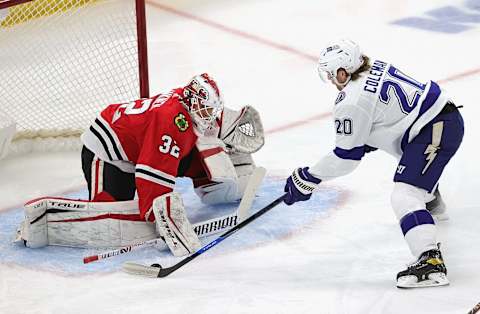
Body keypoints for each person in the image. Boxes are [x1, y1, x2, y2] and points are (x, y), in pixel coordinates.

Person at [16, 73, 264, 256]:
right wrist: (162, 218)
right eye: (204, 110)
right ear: (190, 101)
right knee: (112, 216)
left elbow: (225, 120)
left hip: (138, 148)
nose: (208, 117)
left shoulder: (191, 102)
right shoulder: (171, 122)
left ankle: (213, 183)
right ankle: (44, 220)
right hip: (108, 154)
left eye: (211, 111)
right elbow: (151, 176)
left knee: (198, 147)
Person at [283, 39, 464, 288]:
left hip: (436, 128)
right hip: (438, 120)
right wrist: (359, 140)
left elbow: (346, 158)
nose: (331, 81)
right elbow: (386, 118)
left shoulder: (351, 100)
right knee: (410, 164)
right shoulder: (374, 66)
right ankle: (430, 201)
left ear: (343, 72)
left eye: (331, 75)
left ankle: (430, 262)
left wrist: (309, 177)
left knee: (404, 195)